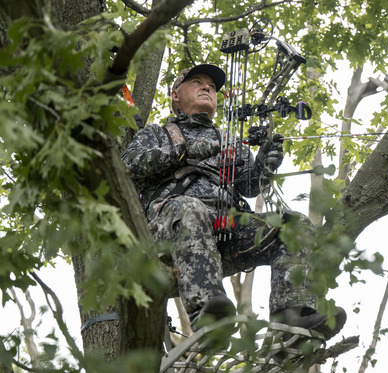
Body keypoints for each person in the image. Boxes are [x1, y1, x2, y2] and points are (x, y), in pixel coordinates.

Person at [122, 64, 345, 339]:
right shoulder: (158, 134)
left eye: (213, 87)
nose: (207, 88)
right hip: (171, 231)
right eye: (197, 82)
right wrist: (185, 150)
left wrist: (265, 163)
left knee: (294, 223)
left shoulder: (228, 141)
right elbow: (129, 167)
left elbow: (249, 186)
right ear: (176, 95)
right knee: (191, 209)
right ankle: (210, 315)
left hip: (227, 233)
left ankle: (293, 317)